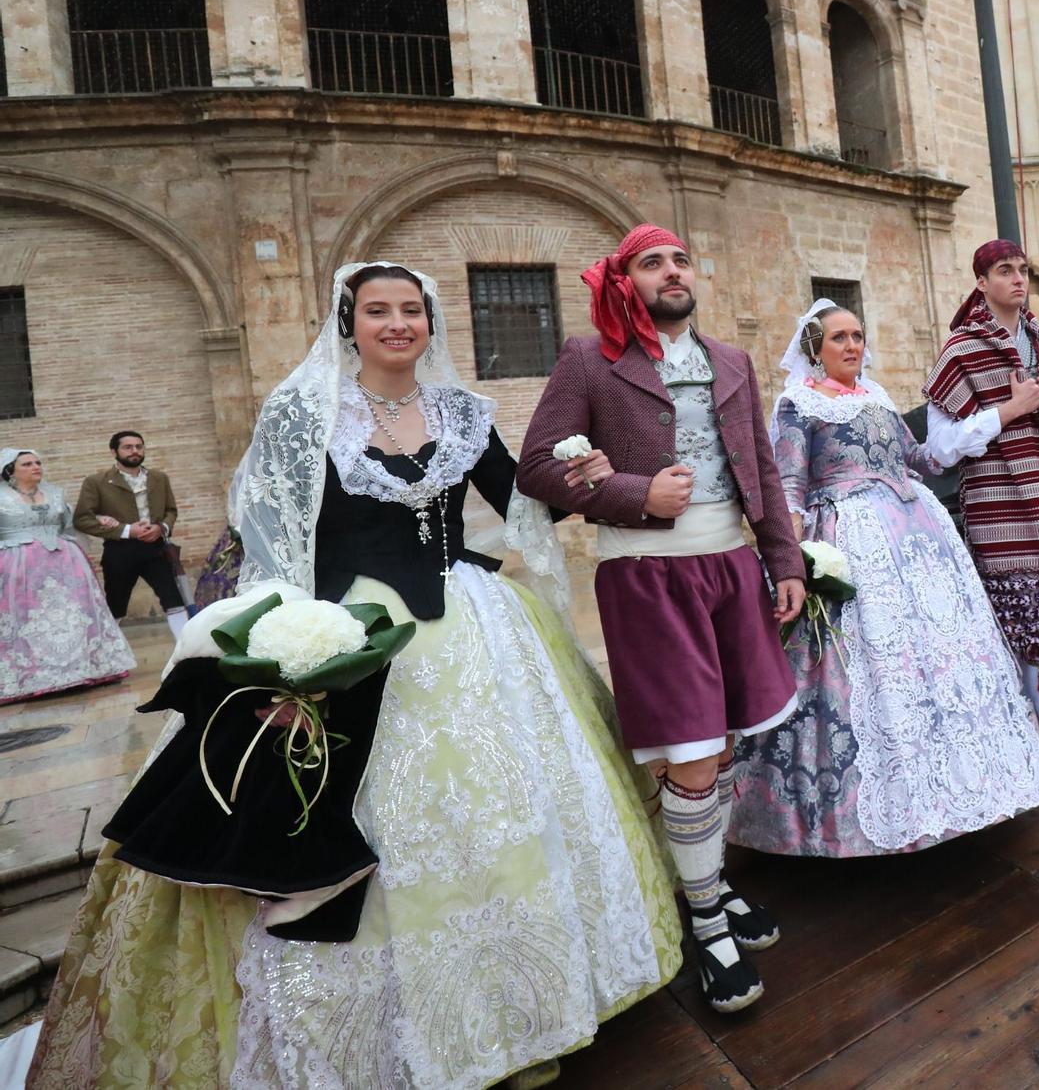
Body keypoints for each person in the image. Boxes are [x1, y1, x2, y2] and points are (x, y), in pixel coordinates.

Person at [29, 262, 682, 1090]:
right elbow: (264, 547)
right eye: (379, 310)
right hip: (356, 638)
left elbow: (519, 498)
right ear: (350, 321)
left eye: (412, 309)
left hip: (478, 627)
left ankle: (526, 1008)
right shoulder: (302, 418)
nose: (398, 323)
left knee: (510, 814)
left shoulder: (460, 411)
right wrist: (283, 663)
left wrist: (591, 483)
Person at [517, 224, 802, 1014]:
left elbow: (765, 473)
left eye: (680, 259)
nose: (672, 271)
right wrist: (635, 493)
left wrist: (784, 561)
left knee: (728, 735)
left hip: (733, 567)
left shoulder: (733, 361)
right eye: (652, 262)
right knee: (690, 751)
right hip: (646, 576)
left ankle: (706, 876)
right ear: (624, 280)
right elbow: (534, 467)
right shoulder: (589, 359)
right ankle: (706, 914)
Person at [729, 301, 1039, 856]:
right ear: (814, 349)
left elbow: (920, 458)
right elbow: (788, 487)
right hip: (851, 544)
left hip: (918, 539)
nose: (852, 346)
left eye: (857, 335)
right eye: (838, 338)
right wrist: (796, 562)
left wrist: (996, 417)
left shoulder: (875, 396)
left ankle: (964, 789)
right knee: (865, 669)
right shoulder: (798, 405)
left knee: (939, 662)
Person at [923, 239, 1039, 824]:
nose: (1018, 279)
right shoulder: (961, 350)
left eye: (1023, 270)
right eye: (1004, 270)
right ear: (981, 281)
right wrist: (1006, 410)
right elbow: (936, 452)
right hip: (1001, 512)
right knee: (1021, 639)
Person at [0, 448, 135, 705]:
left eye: (38, 462)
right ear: (10, 470)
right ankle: (30, 676)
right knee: (24, 618)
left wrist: (98, 521)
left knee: (73, 615)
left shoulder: (55, 493)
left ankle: (84, 669)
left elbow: (71, 525)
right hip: (18, 568)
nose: (35, 467)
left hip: (63, 563)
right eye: (27, 464)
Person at [72, 430, 188, 642]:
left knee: (174, 600)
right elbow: (82, 519)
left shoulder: (159, 478)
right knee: (116, 605)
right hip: (119, 551)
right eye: (128, 447)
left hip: (156, 548)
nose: (134, 451)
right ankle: (109, 656)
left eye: (139, 446)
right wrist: (126, 530)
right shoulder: (96, 482)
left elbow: (171, 511)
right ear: (113, 451)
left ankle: (189, 652)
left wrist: (161, 528)